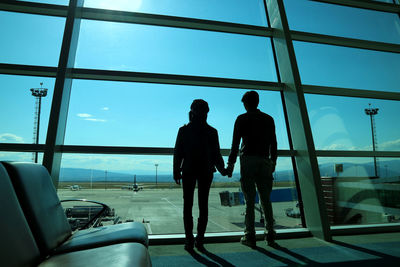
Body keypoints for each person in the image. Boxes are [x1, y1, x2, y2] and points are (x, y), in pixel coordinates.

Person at [173, 99, 226, 251]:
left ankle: (189, 239)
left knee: (188, 205)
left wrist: (176, 170)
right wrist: (222, 169)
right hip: (205, 170)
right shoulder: (212, 131)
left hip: (189, 170)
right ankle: (199, 239)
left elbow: (178, 153)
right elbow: (216, 154)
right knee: (203, 205)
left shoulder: (184, 130)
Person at [227, 91, 277, 247]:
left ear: (246, 103)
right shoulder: (269, 119)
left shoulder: (242, 119)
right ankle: (270, 235)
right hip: (265, 161)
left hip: (248, 160)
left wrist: (231, 163)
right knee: (266, 200)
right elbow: (273, 143)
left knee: (249, 201)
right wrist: (273, 161)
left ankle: (250, 236)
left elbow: (235, 144)